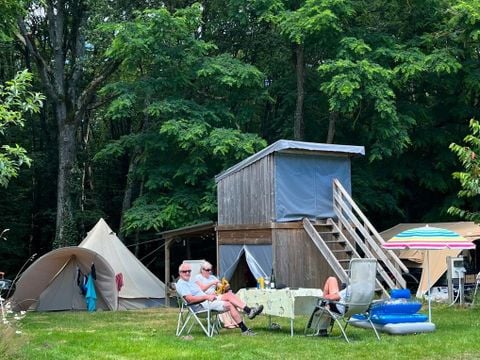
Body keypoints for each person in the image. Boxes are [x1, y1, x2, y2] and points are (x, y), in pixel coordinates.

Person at [176, 262, 264, 336]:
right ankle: (245, 328)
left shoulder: (190, 282)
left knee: (229, 295)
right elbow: (190, 299)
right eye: (184, 271)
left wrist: (224, 287)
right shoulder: (182, 284)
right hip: (202, 305)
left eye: (189, 271)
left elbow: (208, 289)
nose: (187, 273)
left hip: (208, 299)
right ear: (180, 272)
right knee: (229, 304)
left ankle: (248, 312)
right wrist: (206, 296)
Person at [194, 260, 237, 329]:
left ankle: (235, 321)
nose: (210, 272)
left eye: (210, 270)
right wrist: (212, 283)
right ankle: (227, 322)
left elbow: (221, 286)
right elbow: (201, 289)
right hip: (206, 299)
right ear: (202, 270)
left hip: (215, 296)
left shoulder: (212, 277)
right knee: (224, 303)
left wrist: (225, 286)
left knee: (232, 300)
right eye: (207, 270)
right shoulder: (198, 277)